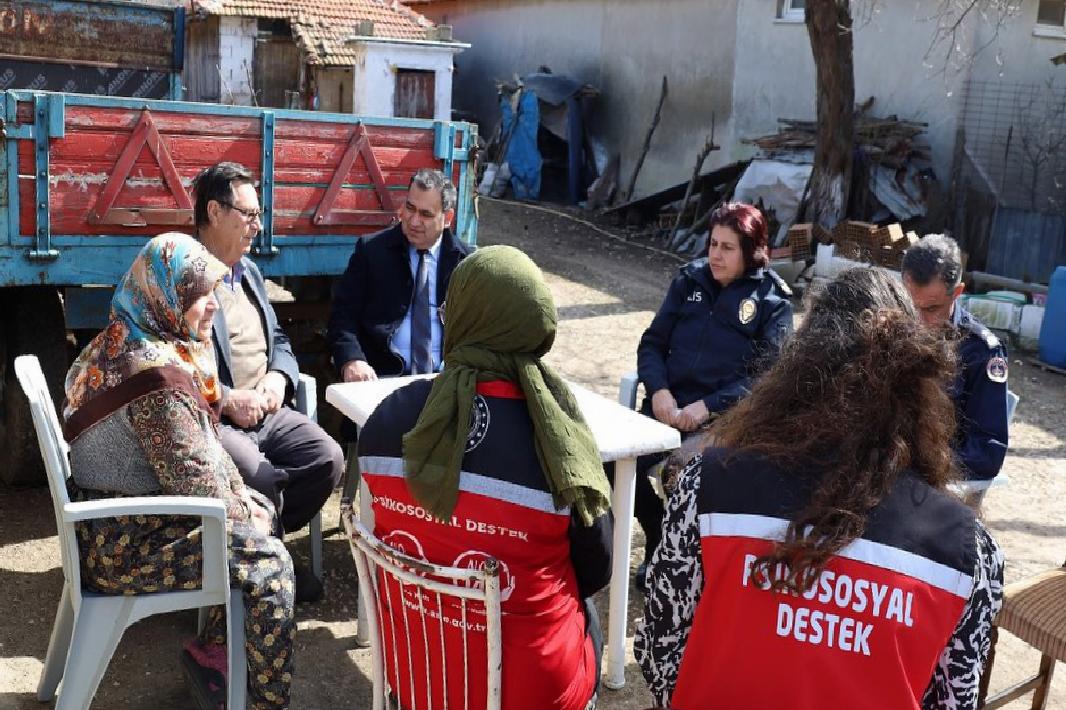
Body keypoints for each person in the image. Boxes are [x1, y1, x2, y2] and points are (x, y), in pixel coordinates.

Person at [635, 267, 1004, 710]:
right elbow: (954, 700)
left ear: (798, 365)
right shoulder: (969, 551)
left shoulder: (705, 488)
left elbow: (660, 649)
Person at [357, 245, 613, 710]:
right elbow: (596, 568)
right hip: (530, 693)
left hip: (420, 679)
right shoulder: (557, 447)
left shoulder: (384, 423)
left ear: (458, 316)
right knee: (584, 611)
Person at [63, 233, 296, 710]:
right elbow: (193, 478)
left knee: (256, 512)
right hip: (121, 543)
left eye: (214, 293)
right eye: (198, 297)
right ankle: (267, 700)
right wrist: (247, 510)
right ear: (165, 295)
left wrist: (244, 500)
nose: (213, 306)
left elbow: (200, 453)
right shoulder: (158, 380)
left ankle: (217, 651)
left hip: (103, 519)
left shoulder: (126, 332)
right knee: (268, 561)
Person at [192, 162, 344, 601]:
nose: (257, 227)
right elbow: (170, 367)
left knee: (327, 460)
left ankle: (263, 550)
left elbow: (278, 338)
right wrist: (226, 397)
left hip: (268, 410)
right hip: (214, 418)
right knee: (258, 474)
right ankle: (267, 565)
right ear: (216, 212)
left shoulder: (250, 271)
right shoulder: (184, 275)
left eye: (259, 216)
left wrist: (278, 377)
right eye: (249, 215)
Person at [631, 201, 793, 586]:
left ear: (751, 252)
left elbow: (767, 379)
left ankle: (682, 565)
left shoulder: (773, 302)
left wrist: (709, 406)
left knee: (681, 475)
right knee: (613, 464)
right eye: (713, 244)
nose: (715, 255)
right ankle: (658, 537)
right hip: (666, 409)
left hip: (725, 421)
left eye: (727, 248)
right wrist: (659, 391)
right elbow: (652, 344)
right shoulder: (689, 281)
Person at [327, 168, 472, 381]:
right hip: (382, 377)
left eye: (425, 214)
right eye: (410, 208)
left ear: (448, 217)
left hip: (447, 382)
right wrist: (352, 360)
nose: (413, 221)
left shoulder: (466, 262)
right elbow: (342, 316)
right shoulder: (372, 251)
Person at [902, 234, 1009, 483]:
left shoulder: (981, 352)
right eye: (909, 304)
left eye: (931, 309)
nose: (917, 320)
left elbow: (986, 453)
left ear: (957, 292)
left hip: (932, 483)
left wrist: (922, 465)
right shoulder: (889, 329)